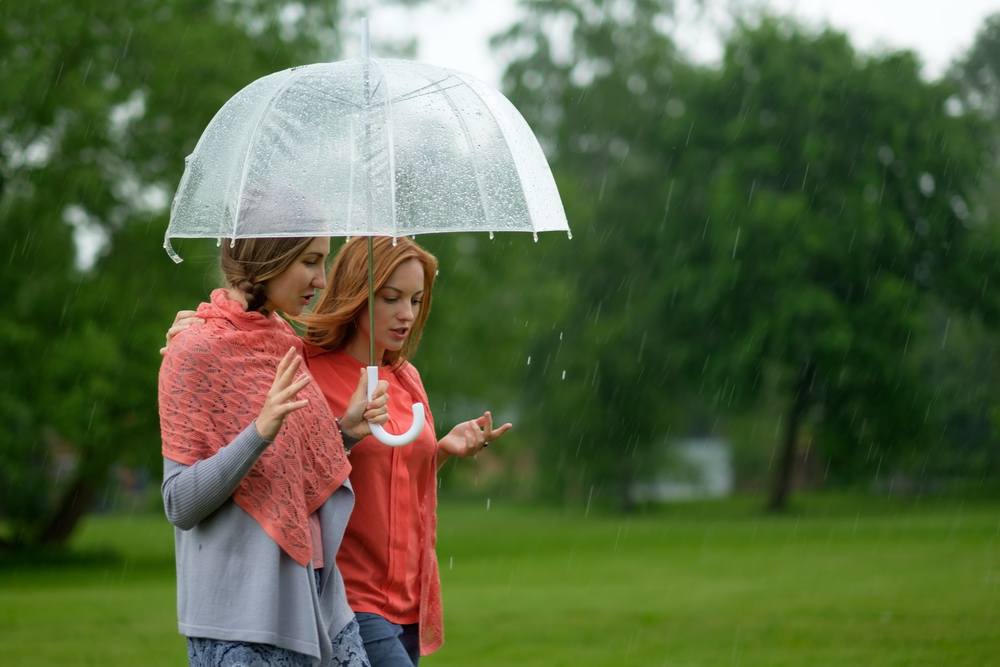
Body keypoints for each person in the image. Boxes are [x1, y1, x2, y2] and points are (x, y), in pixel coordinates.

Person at [164, 235, 512, 666]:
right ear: (357, 294)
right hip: (346, 594)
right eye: (391, 298)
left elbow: (383, 477)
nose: (407, 314)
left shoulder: (406, 378)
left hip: (406, 602)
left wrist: (439, 451)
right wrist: (195, 334)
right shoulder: (303, 364)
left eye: (418, 300)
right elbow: (289, 469)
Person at [159, 225, 390, 667]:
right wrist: (258, 431)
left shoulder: (284, 342)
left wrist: (344, 431)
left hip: (317, 594)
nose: (321, 279)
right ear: (266, 258)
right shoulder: (192, 350)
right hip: (243, 616)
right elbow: (180, 503)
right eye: (309, 261)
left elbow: (286, 471)